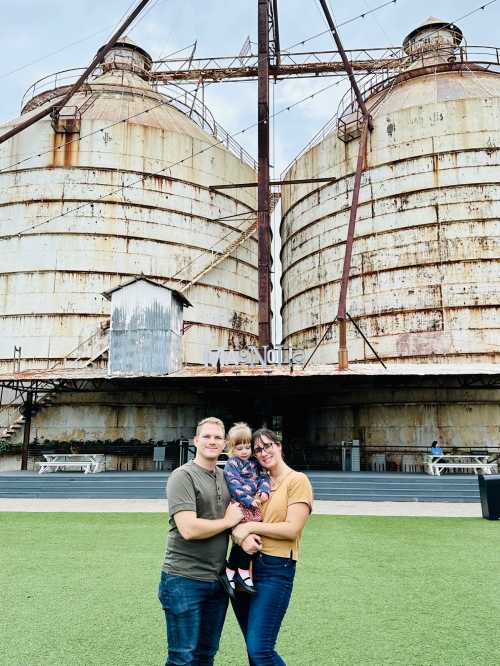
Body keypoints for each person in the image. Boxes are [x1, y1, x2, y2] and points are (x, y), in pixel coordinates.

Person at [157, 416, 260, 666]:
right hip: (183, 580)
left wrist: (243, 535)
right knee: (182, 658)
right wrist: (227, 523)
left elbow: (237, 516)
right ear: (196, 441)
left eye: (217, 437)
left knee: (206, 656)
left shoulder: (226, 477)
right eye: (206, 436)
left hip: (217, 582)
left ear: (225, 443)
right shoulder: (183, 476)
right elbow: (188, 528)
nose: (212, 441)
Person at [231, 428, 314, 666]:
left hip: (275, 568)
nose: (263, 452)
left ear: (279, 446)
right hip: (243, 566)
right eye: (258, 449)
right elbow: (236, 519)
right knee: (251, 649)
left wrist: (250, 529)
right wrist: (239, 533)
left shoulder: (297, 480)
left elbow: (292, 529)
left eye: (268, 445)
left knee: (260, 649)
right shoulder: (254, 482)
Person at [220, 422, 271, 597]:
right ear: (232, 448)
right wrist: (249, 500)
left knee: (250, 538)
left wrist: (264, 490)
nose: (244, 451)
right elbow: (234, 485)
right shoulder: (231, 465)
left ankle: (233, 571)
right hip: (241, 505)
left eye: (247, 447)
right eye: (240, 447)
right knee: (243, 539)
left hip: (254, 504)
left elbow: (264, 476)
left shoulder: (254, 463)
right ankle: (237, 571)